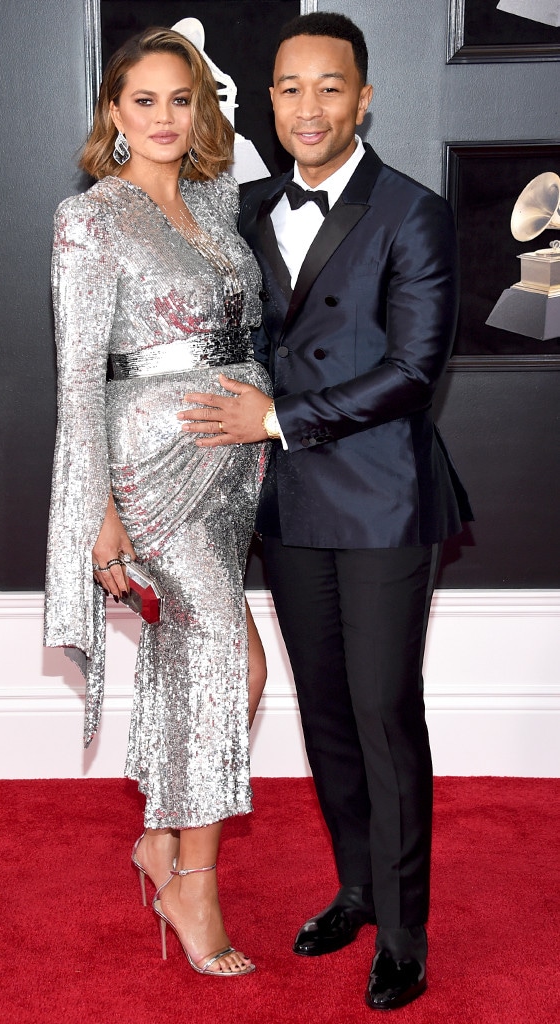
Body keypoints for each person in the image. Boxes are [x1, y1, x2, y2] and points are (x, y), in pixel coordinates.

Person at [177, 11, 472, 1009]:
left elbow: (412, 370)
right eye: (291, 88)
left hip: (384, 496)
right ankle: (354, 885)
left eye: (330, 87)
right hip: (290, 500)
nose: (309, 107)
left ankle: (404, 930)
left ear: (365, 96)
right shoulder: (245, 208)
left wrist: (278, 416)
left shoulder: (413, 211)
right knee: (329, 711)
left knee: (386, 713)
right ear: (269, 102)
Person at [43, 26, 272, 977]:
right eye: (146, 101)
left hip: (234, 467)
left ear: (202, 106)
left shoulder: (217, 206)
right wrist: (98, 512)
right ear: (114, 113)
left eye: (183, 99)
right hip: (151, 471)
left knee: (208, 666)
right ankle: (193, 882)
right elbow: (77, 379)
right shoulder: (88, 219)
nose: (167, 117)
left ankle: (161, 844)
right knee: (231, 664)